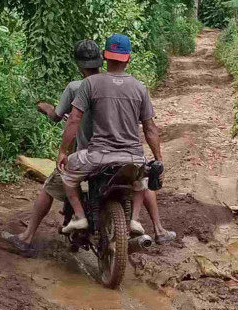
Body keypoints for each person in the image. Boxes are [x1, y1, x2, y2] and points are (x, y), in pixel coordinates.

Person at [57, 33, 175, 243]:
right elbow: (150, 128)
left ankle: (79, 216)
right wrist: (158, 158)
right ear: (128, 58)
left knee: (67, 174)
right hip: (132, 156)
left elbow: (74, 120)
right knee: (141, 179)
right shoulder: (140, 88)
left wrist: (63, 152)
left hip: (98, 156)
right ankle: (135, 220)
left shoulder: (90, 83)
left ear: (104, 56)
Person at [1, 40, 103, 254]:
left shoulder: (76, 87)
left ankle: (27, 238)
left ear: (78, 64)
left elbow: (59, 116)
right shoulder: (113, 84)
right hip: (116, 152)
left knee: (50, 186)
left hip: (87, 154)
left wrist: (45, 107)